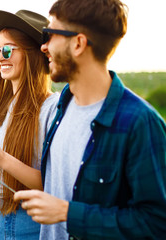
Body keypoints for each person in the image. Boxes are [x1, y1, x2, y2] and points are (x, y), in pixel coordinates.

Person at [14, 0, 166, 239]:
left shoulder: (139, 123)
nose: (43, 47)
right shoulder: (62, 104)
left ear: (78, 44)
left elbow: (156, 223)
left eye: (49, 34)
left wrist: (68, 213)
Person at [0, 10, 59, 239]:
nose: (0, 57)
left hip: (34, 225)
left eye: (7, 49)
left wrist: (1, 158)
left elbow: (52, 183)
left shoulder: (51, 108)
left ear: (32, 54)